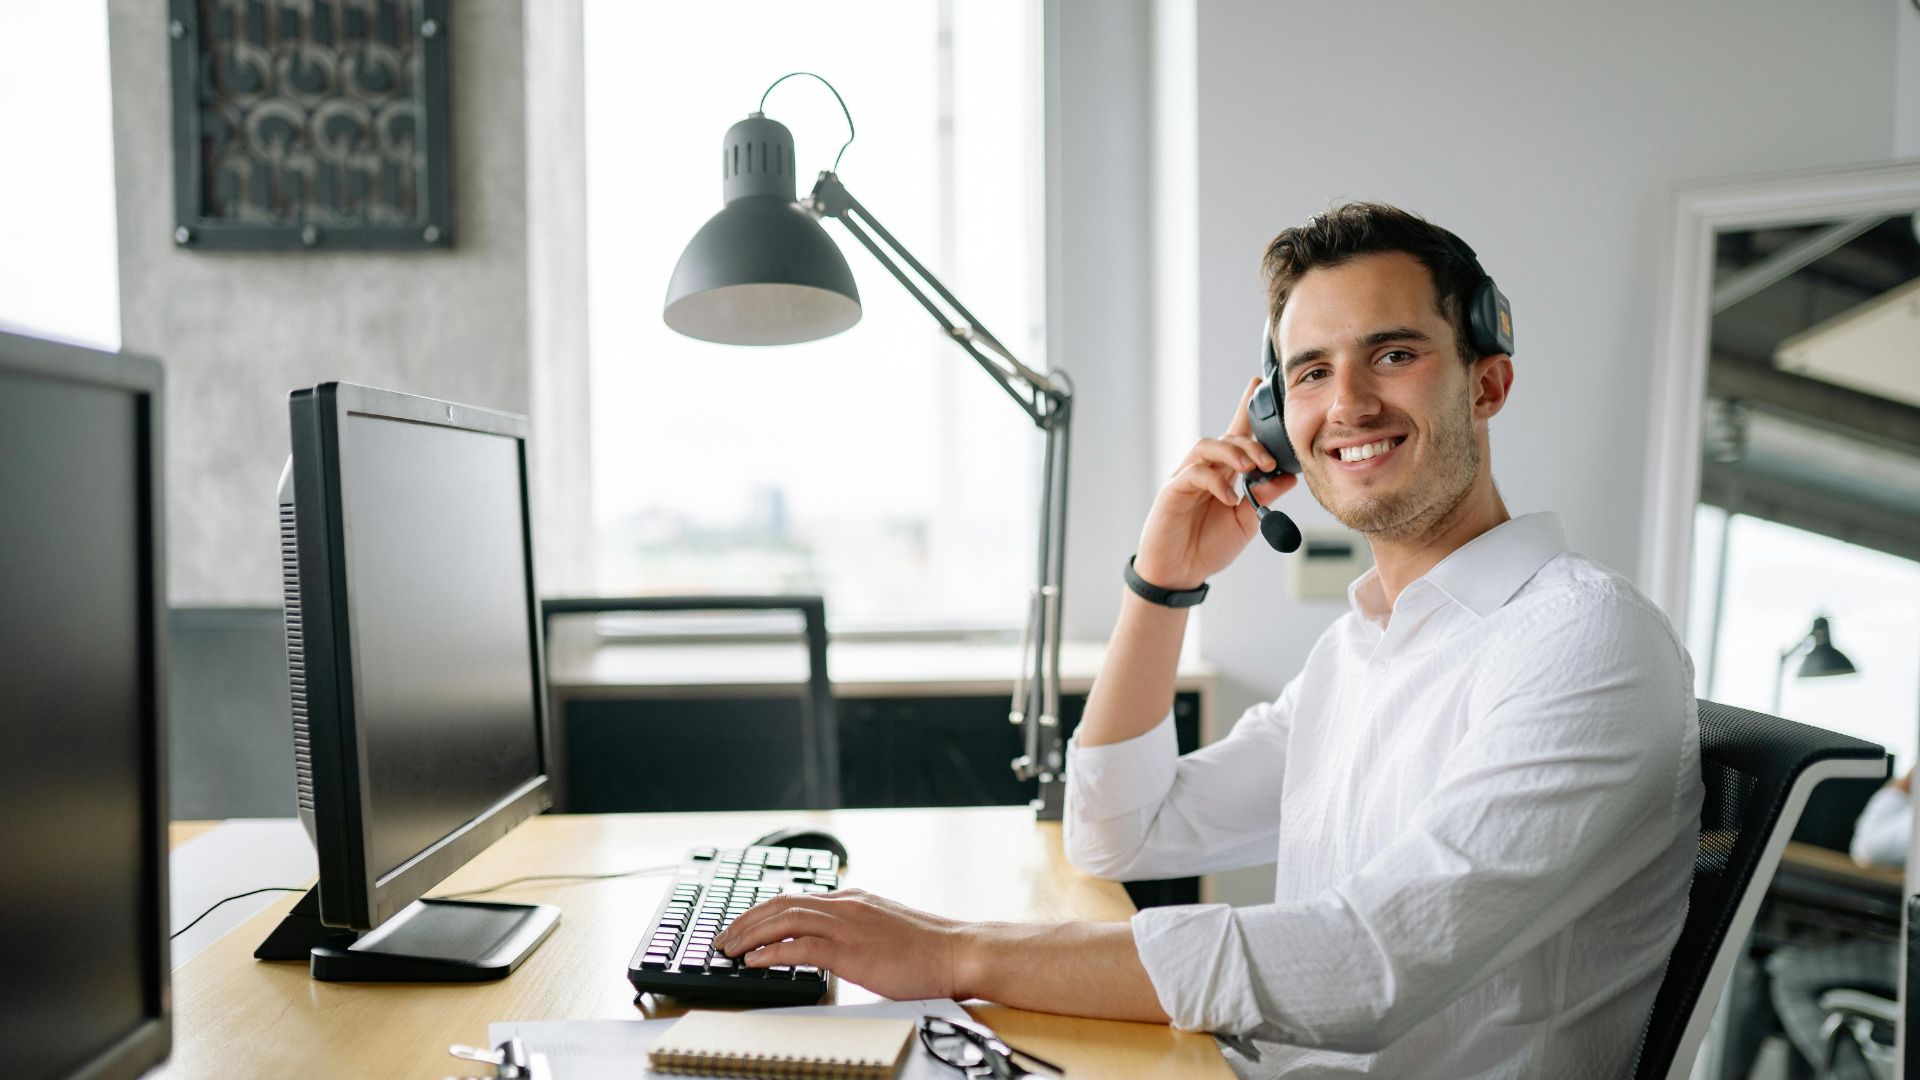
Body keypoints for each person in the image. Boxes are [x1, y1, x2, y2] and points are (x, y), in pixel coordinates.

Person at [715, 202, 1704, 1076]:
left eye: (1394, 355)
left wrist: (956, 952)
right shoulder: (1363, 650)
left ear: (1487, 384)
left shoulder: (1585, 641)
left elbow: (1365, 967)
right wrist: (1163, 582)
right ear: (1276, 419)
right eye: (1311, 372)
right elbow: (1119, 833)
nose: (1349, 404)